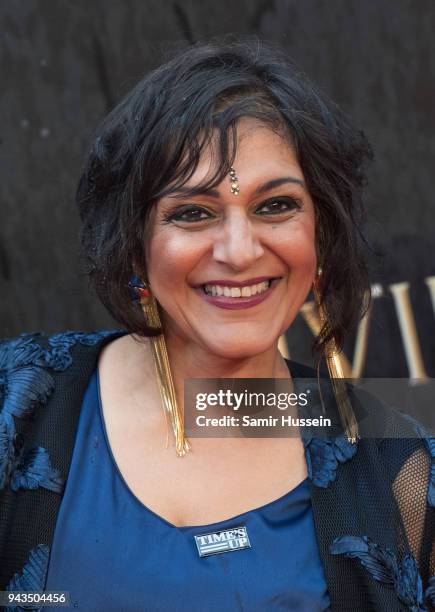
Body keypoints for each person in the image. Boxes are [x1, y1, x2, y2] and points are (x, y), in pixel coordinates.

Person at [0, 39, 434, 611]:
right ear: (133, 244)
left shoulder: (400, 470)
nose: (239, 250)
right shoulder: (20, 403)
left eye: (275, 205)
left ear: (320, 231)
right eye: (192, 213)